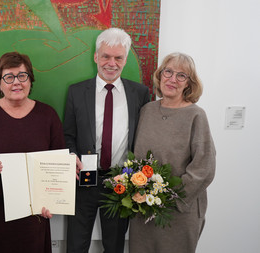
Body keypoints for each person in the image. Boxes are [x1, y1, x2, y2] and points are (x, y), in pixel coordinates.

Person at [0, 52, 65, 253]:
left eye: (22, 76)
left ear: (30, 80)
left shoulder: (48, 115)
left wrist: (52, 202)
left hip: (33, 216)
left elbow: (58, 162)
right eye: (9, 77)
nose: (16, 82)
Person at [64, 27, 150, 253]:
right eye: (106, 56)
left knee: (114, 245)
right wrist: (72, 155)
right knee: (76, 244)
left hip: (120, 182)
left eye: (118, 57)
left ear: (125, 59)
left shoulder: (140, 93)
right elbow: (68, 135)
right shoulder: (76, 92)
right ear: (96, 56)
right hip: (83, 181)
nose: (111, 63)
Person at [129, 52, 216, 253]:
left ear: (188, 83)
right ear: (160, 75)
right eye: (168, 72)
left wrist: (168, 197)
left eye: (181, 76)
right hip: (143, 209)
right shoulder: (147, 110)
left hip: (179, 212)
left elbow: (204, 168)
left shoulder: (196, 115)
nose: (172, 79)